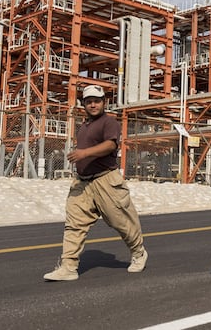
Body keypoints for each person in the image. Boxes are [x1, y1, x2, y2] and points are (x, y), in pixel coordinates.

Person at [43, 84, 148, 281]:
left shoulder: (109, 122)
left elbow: (110, 145)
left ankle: (138, 252)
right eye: (89, 101)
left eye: (97, 101)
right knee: (74, 224)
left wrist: (84, 153)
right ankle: (68, 267)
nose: (93, 105)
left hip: (106, 181)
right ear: (84, 104)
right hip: (83, 184)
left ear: (104, 102)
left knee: (122, 222)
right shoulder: (84, 126)